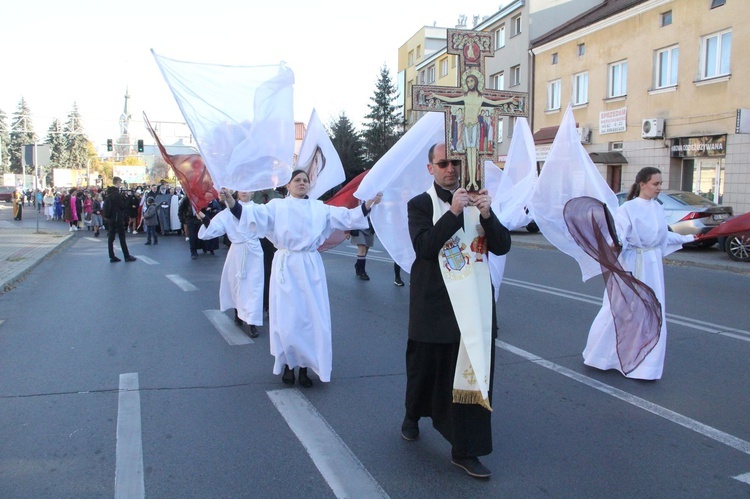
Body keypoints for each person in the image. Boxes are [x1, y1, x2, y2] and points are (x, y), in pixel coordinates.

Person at [402, 143, 511, 479]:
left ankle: (465, 450)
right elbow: (425, 248)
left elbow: (502, 245)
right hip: (434, 305)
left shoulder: (479, 201)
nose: (451, 169)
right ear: (431, 168)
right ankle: (412, 413)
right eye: (443, 163)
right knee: (425, 371)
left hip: (475, 306)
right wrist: (452, 212)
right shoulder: (421, 204)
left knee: (471, 374)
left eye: (456, 163)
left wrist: (488, 216)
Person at [226, 170, 382, 387]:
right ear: (288, 186)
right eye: (297, 180)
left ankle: (305, 368)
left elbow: (348, 217)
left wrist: (368, 204)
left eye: (305, 181)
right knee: (288, 319)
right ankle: (289, 365)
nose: (301, 183)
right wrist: (231, 201)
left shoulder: (319, 208)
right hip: (286, 267)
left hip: (310, 267)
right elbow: (252, 216)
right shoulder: (277, 207)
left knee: (311, 318)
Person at [583, 167, 695, 380]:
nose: (659, 188)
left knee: (653, 311)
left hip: (653, 266)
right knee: (620, 308)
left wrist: (688, 239)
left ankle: (646, 364)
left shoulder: (657, 208)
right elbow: (620, 236)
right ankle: (601, 356)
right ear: (642, 184)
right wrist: (615, 246)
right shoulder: (628, 209)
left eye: (661, 184)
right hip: (633, 263)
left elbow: (663, 237)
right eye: (656, 184)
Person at [198, 189, 264, 338]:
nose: (245, 192)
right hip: (237, 251)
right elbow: (215, 228)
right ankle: (238, 312)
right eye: (242, 189)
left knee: (253, 286)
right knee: (236, 284)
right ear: (237, 193)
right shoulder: (227, 212)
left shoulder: (258, 209)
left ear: (253, 193)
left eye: (248, 189)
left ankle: (251, 321)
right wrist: (203, 217)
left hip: (253, 251)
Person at [105, 177, 137, 263]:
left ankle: (112, 256)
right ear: (118, 183)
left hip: (111, 218)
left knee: (111, 237)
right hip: (117, 218)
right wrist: (126, 199)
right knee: (122, 237)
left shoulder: (109, 193)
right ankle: (126, 256)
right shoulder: (117, 194)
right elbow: (123, 206)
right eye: (120, 183)